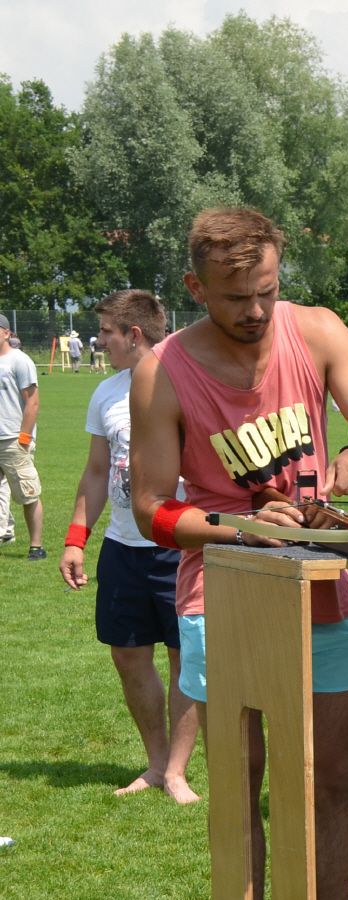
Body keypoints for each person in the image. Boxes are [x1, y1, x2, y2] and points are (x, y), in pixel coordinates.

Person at [129, 206, 348, 900]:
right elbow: (153, 510)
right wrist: (239, 529)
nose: (255, 311)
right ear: (195, 286)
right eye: (234, 297)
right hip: (222, 598)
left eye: (267, 291)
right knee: (241, 784)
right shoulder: (162, 373)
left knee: (331, 782)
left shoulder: (316, 330)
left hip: (323, 592)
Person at [60, 291, 202, 802]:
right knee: (128, 655)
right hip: (123, 548)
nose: (100, 342)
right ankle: (156, 763)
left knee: (186, 656)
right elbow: (97, 471)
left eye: (106, 333)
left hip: (181, 545)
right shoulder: (106, 392)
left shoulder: (189, 385)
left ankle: (179, 771)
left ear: (133, 334)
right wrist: (77, 538)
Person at [0, 318, 44, 557]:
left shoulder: (19, 360)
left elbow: (33, 402)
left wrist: (24, 438)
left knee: (28, 494)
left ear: (6, 333)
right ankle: (5, 532)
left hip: (13, 439)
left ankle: (36, 546)